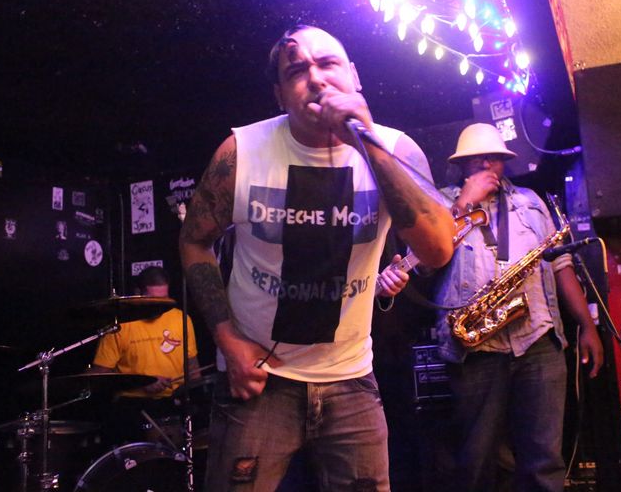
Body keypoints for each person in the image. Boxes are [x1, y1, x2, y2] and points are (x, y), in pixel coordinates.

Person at [179, 24, 455, 492]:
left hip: (351, 376)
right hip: (260, 376)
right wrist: (228, 341)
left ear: (354, 76)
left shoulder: (396, 149)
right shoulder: (241, 152)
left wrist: (366, 143)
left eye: (328, 64)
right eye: (297, 71)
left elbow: (438, 249)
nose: (316, 78)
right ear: (280, 95)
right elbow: (194, 241)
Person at [431, 123, 604, 492]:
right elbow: (427, 262)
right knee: (475, 461)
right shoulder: (439, 205)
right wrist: (464, 204)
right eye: (477, 159)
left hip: (537, 341)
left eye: (494, 158)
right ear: (461, 165)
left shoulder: (531, 202)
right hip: (475, 349)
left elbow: (561, 265)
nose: (486, 165)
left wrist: (587, 326)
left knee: (544, 461)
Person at [89, 266, 200, 443]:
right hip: (132, 404)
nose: (159, 307)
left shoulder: (181, 319)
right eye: (153, 300)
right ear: (138, 293)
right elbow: (100, 376)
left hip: (172, 402)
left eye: (164, 300)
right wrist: (141, 383)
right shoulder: (121, 324)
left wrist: (195, 390)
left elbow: (193, 367)